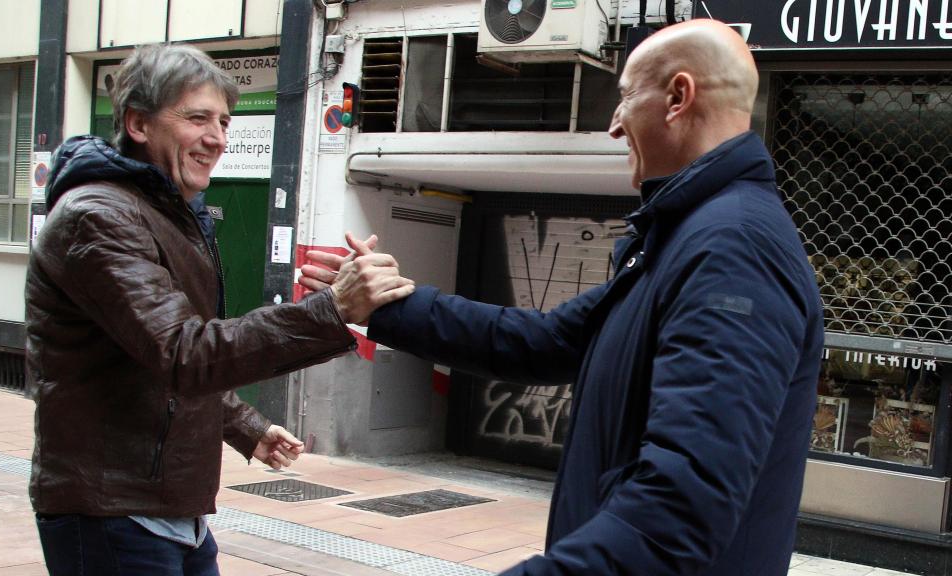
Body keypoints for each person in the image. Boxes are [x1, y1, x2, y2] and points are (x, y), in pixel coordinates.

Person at [301, 19, 824, 575]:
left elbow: (680, 509)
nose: (615, 124)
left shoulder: (732, 251)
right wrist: (385, 306)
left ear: (678, 97)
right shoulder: (682, 238)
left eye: (625, 96)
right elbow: (541, 341)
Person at [24, 43, 413, 576]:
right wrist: (333, 307)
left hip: (166, 508)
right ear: (138, 123)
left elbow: (155, 354)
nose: (217, 139)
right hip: (112, 511)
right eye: (197, 118)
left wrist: (244, 424)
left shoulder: (168, 211)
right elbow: (184, 353)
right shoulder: (99, 218)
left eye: (224, 122)